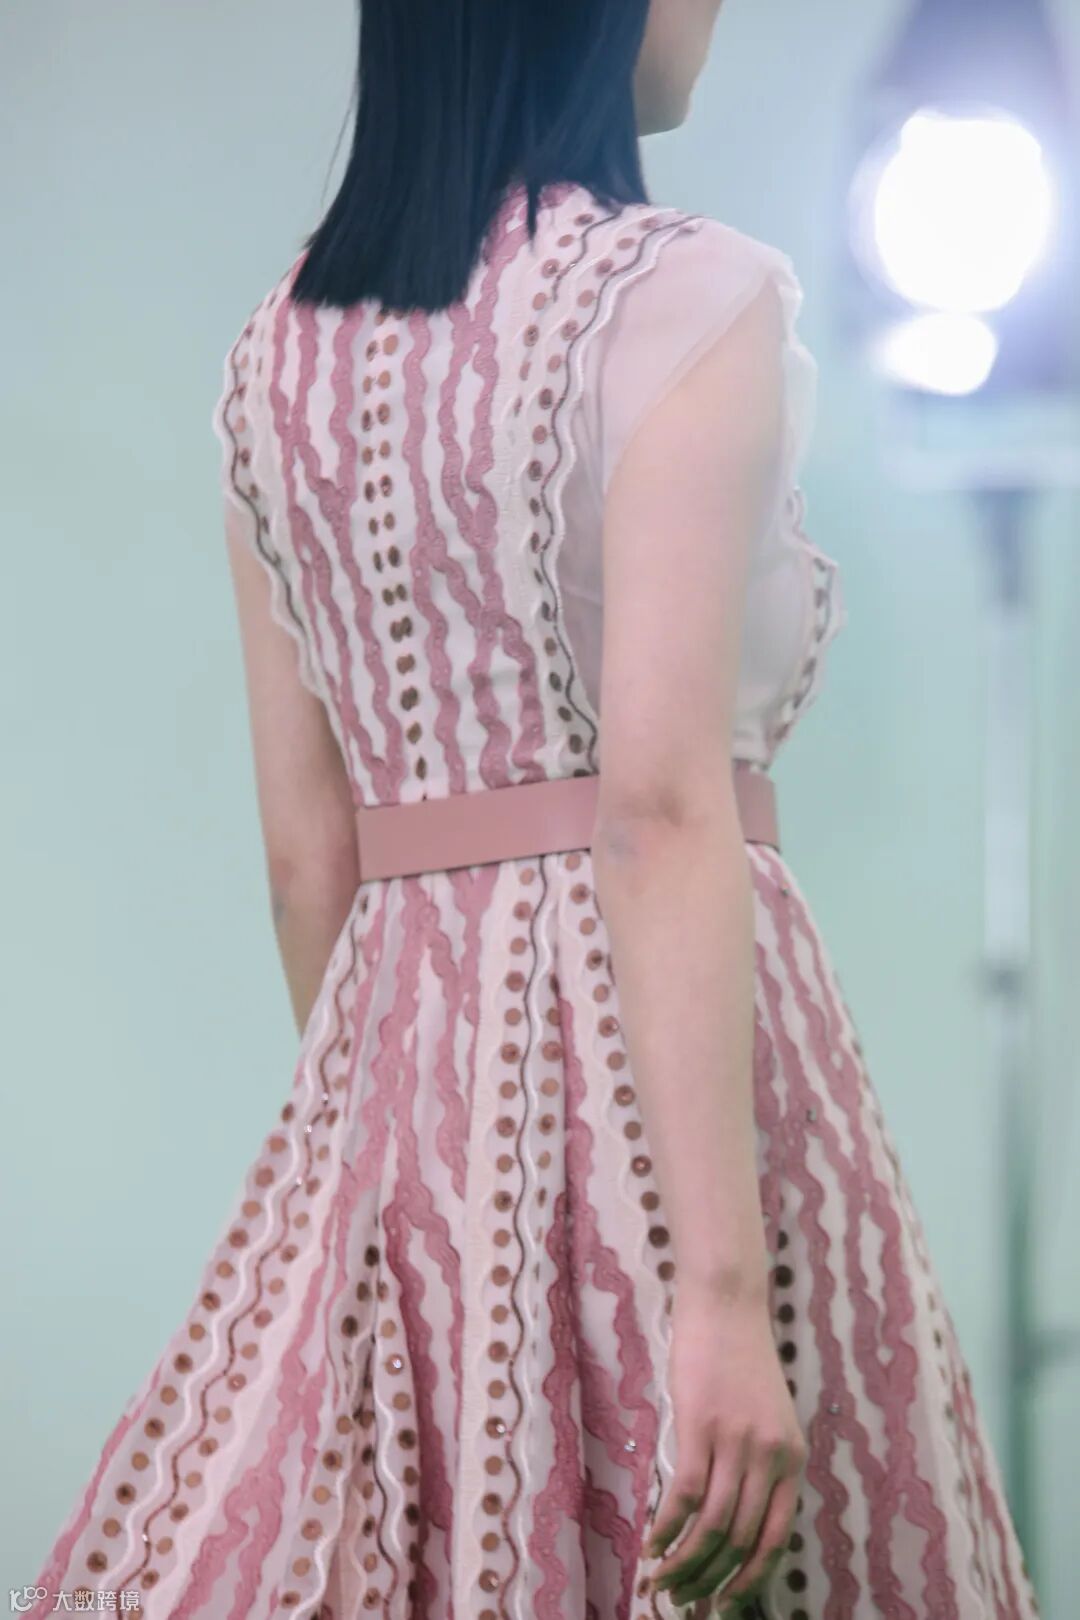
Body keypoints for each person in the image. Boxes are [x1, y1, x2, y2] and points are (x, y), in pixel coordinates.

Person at [29, 1, 1040, 1616]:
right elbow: (657, 808)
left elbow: (309, 859)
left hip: (397, 1103)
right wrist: (720, 1297)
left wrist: (410, 1165)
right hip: (688, 1105)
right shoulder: (689, 296)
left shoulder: (279, 355)